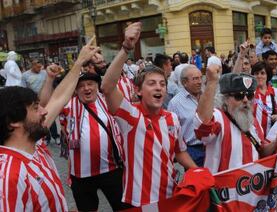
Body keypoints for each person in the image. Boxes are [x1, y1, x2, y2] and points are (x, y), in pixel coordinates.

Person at [100, 22, 197, 208]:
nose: (159, 87)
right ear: (138, 91)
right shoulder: (131, 115)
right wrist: (126, 48)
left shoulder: (172, 118)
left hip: (170, 196)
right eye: (152, 83)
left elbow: (180, 151)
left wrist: (198, 171)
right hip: (139, 202)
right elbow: (107, 87)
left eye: (162, 83)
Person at [0, 38, 100, 211]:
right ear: (14, 122)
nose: (45, 112)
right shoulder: (8, 177)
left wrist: (78, 63)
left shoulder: (34, 144)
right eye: (35, 108)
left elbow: (59, 98)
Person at [57, 72, 129, 211]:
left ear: (97, 86)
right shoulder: (67, 106)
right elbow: (52, 107)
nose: (86, 88)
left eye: (90, 84)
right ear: (75, 90)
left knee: (123, 208)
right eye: (81, 86)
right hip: (81, 174)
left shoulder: (109, 101)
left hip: (111, 168)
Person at [194, 65, 277, 173]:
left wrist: (276, 141)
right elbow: (202, 126)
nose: (245, 100)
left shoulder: (253, 121)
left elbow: (261, 151)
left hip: (251, 186)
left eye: (249, 96)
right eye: (239, 96)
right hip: (224, 187)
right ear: (225, 98)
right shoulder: (218, 117)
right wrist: (211, 82)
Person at [168, 65, 204, 166]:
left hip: (213, 148)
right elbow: (172, 132)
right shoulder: (175, 103)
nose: (200, 81)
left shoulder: (207, 96)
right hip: (193, 151)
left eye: (201, 77)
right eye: (195, 79)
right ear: (184, 82)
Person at [250, 62, 277, 136]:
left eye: (262, 73)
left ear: (267, 75)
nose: (259, 76)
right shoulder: (249, 93)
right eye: (256, 73)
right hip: (254, 137)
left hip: (272, 137)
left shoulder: (276, 92)